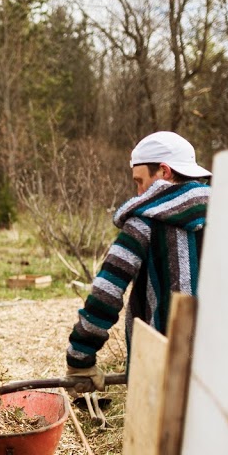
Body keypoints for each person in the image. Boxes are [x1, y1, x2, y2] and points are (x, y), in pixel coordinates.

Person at [66, 131, 211, 389]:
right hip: (224, 365)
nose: (138, 191)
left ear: (164, 172)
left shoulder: (143, 222)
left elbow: (107, 292)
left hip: (162, 367)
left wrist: (80, 358)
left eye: (139, 180)